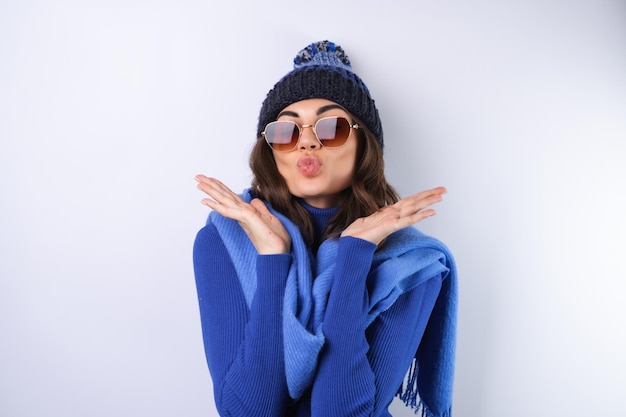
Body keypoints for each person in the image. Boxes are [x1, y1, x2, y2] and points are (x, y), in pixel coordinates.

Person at [193, 40, 457, 417]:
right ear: (271, 152)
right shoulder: (224, 239)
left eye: (330, 127)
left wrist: (355, 256)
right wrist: (272, 260)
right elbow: (246, 412)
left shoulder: (413, 263)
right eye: (286, 132)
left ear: (364, 144)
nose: (307, 142)